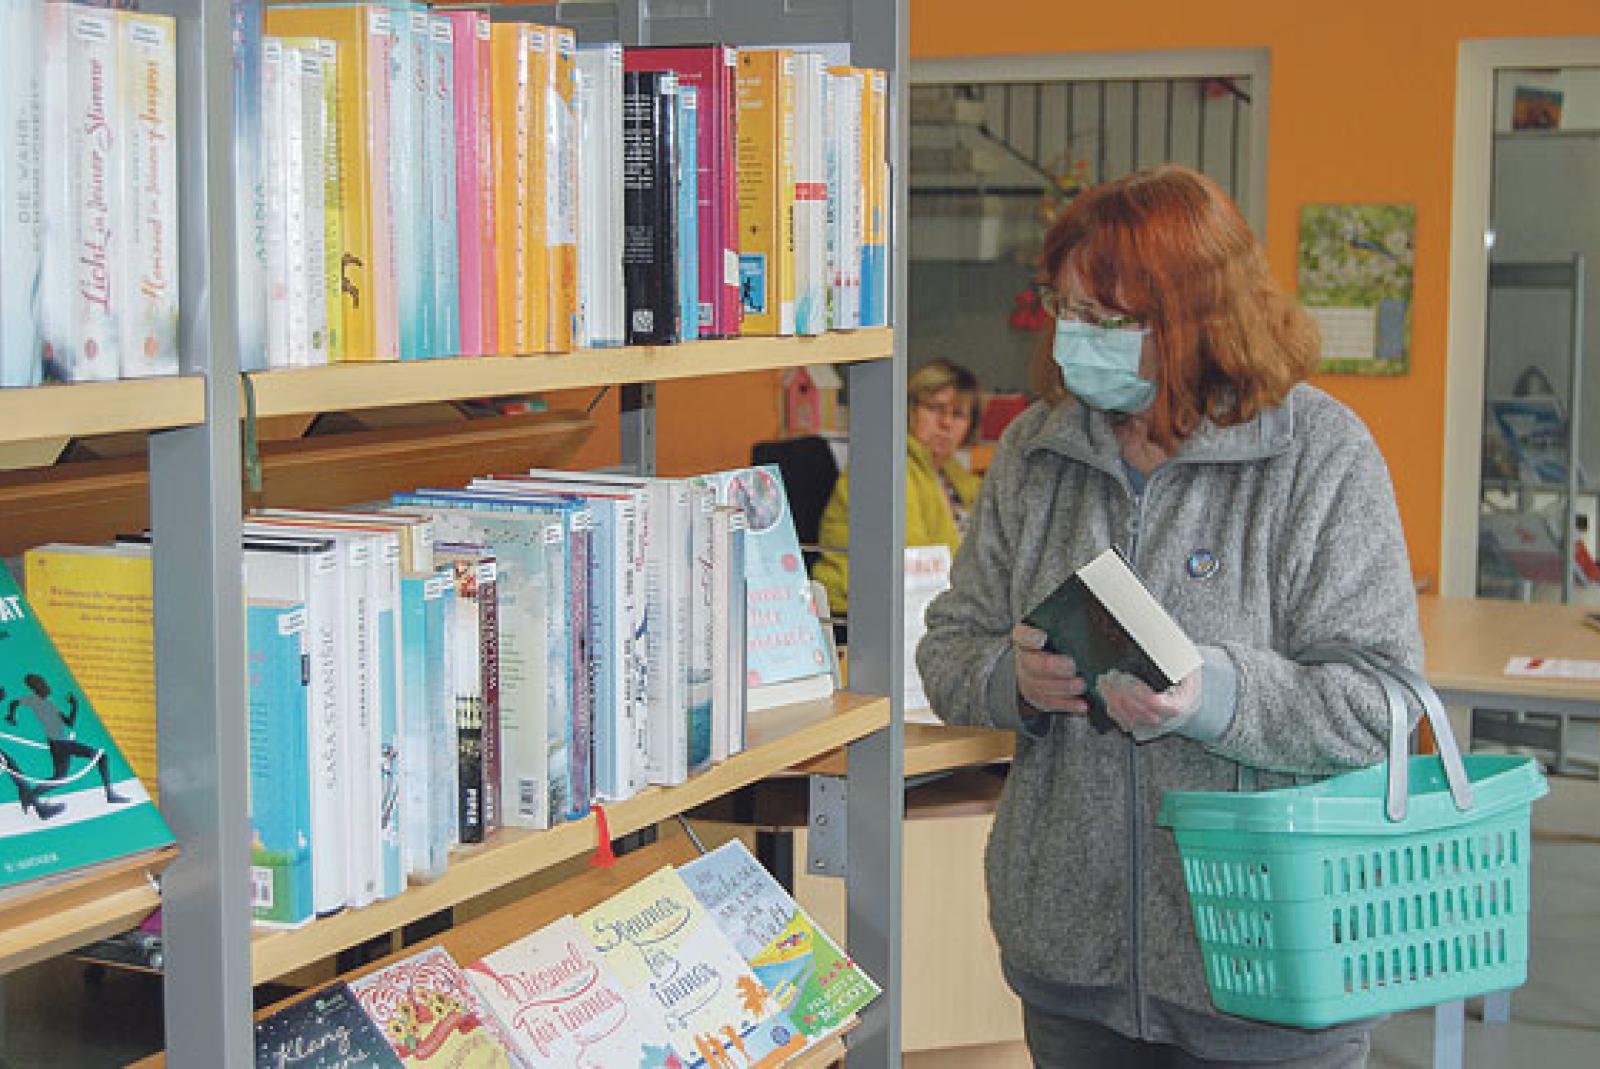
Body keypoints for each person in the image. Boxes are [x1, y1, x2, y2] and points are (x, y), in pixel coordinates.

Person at [916, 165, 1421, 1068]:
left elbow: (1379, 704)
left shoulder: (1320, 455)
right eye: (1066, 307)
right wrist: (1013, 682)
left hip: (1268, 971)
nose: (1075, 337)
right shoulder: (1037, 449)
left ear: (1197, 317)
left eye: (1109, 318)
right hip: (1072, 965)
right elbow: (951, 645)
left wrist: (1211, 695)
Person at [811, 358, 983, 614]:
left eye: (958, 415)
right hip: (862, 611)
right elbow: (915, 560)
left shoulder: (953, 472)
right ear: (909, 409)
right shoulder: (885, 464)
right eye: (935, 409)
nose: (946, 423)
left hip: (926, 604)